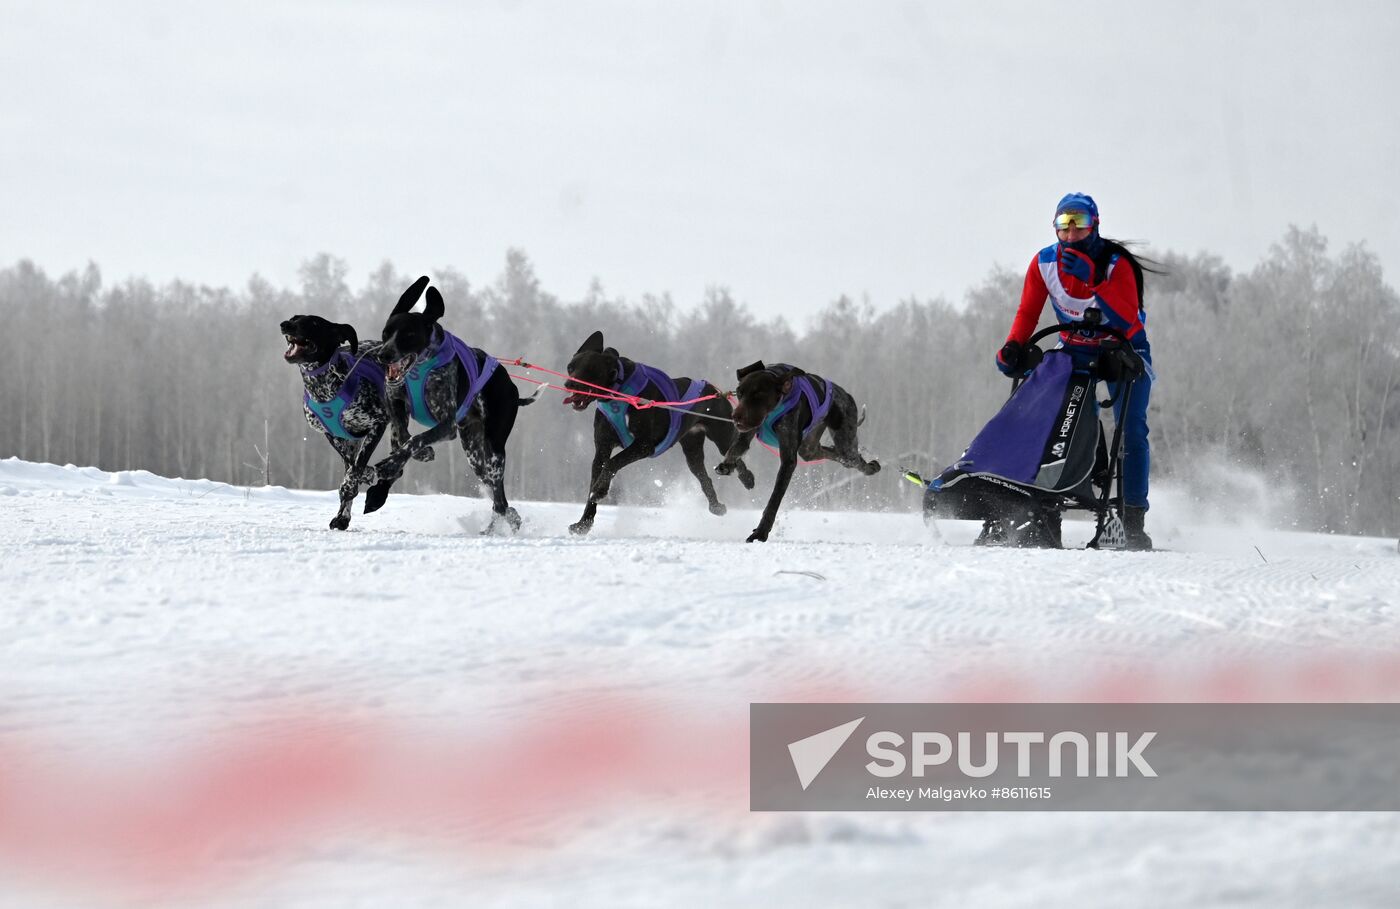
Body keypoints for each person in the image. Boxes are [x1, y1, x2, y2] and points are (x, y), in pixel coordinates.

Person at [994, 192, 1156, 549]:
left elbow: (1127, 319)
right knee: (1047, 418)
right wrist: (1012, 346)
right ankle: (1045, 510)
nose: (1070, 233)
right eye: (1063, 225)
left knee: (1131, 428)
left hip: (1124, 350)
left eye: (1078, 224)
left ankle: (1133, 520)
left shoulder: (1116, 264)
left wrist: (1096, 281)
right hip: (1073, 349)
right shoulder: (1044, 263)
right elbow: (1028, 312)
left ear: (1094, 225)